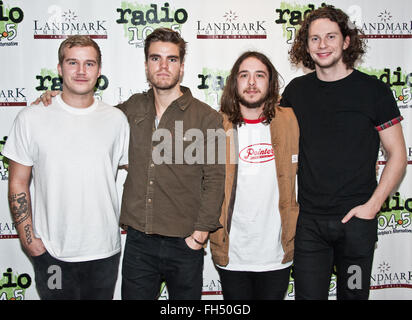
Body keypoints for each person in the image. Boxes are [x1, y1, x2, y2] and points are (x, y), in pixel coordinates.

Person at [34, 28, 225, 300]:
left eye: (171, 59)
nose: (163, 66)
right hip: (138, 243)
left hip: (185, 243)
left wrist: (199, 236)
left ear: (182, 67)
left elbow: (216, 179)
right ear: (146, 65)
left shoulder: (208, 118)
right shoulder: (129, 109)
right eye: (155, 58)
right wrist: (55, 99)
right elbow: (89, 115)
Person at [280, 5, 407, 300]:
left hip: (357, 227)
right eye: (314, 39)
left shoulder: (374, 91)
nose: (322, 45)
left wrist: (373, 206)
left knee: (353, 296)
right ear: (306, 45)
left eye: (330, 37)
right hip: (309, 226)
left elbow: (397, 155)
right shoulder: (295, 92)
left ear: (346, 41)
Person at [3, 35, 130, 300]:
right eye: (73, 63)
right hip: (51, 253)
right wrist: (29, 240)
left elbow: (140, 174)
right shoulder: (31, 118)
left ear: (99, 70)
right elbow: (17, 182)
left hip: (104, 252)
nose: (81, 71)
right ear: (59, 68)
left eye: (89, 63)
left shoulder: (117, 120)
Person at [209, 51, 299, 300]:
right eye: (244, 75)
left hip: (275, 253)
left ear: (270, 83)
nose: (251, 83)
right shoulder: (215, 125)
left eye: (259, 75)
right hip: (232, 254)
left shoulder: (290, 121)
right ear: (233, 83)